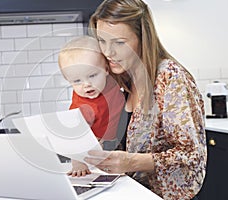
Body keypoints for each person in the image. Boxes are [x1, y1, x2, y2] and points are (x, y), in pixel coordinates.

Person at [80, 0, 207, 199]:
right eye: (102, 41)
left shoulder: (170, 77)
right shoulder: (124, 82)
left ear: (142, 39)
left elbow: (191, 153)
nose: (108, 52)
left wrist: (132, 162)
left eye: (119, 43)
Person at [58, 36, 125, 176]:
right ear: (68, 81)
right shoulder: (81, 107)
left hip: (117, 141)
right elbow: (74, 136)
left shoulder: (113, 82)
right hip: (94, 143)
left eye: (92, 75)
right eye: (77, 81)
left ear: (107, 70)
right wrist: (78, 162)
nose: (86, 84)